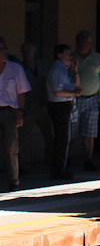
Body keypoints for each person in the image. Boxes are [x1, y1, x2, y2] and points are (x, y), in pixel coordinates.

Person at [72, 30, 100, 171]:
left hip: (92, 98)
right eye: (78, 41)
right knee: (71, 132)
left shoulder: (98, 58)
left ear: (90, 43)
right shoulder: (71, 57)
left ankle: (88, 160)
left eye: (84, 41)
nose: (81, 44)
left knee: (89, 132)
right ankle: (66, 159)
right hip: (73, 99)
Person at [18, 42, 53, 174]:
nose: (26, 54)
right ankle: (23, 164)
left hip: (43, 107)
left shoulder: (44, 65)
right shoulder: (20, 68)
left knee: (50, 135)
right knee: (23, 139)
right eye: (23, 51)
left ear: (34, 51)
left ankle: (50, 160)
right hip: (28, 108)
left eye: (28, 51)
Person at [47, 44, 80, 180]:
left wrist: (75, 70)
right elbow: (58, 91)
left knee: (64, 138)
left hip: (65, 105)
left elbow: (76, 84)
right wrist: (73, 93)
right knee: (61, 138)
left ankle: (61, 167)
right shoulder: (57, 69)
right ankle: (58, 170)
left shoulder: (63, 69)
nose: (70, 57)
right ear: (59, 55)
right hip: (59, 105)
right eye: (67, 54)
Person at [0, 37, 30, 191]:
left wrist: (20, 112)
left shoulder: (16, 68)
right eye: (0, 50)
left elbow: (21, 92)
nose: (3, 52)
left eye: (4, 49)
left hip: (9, 112)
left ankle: (14, 181)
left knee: (11, 147)